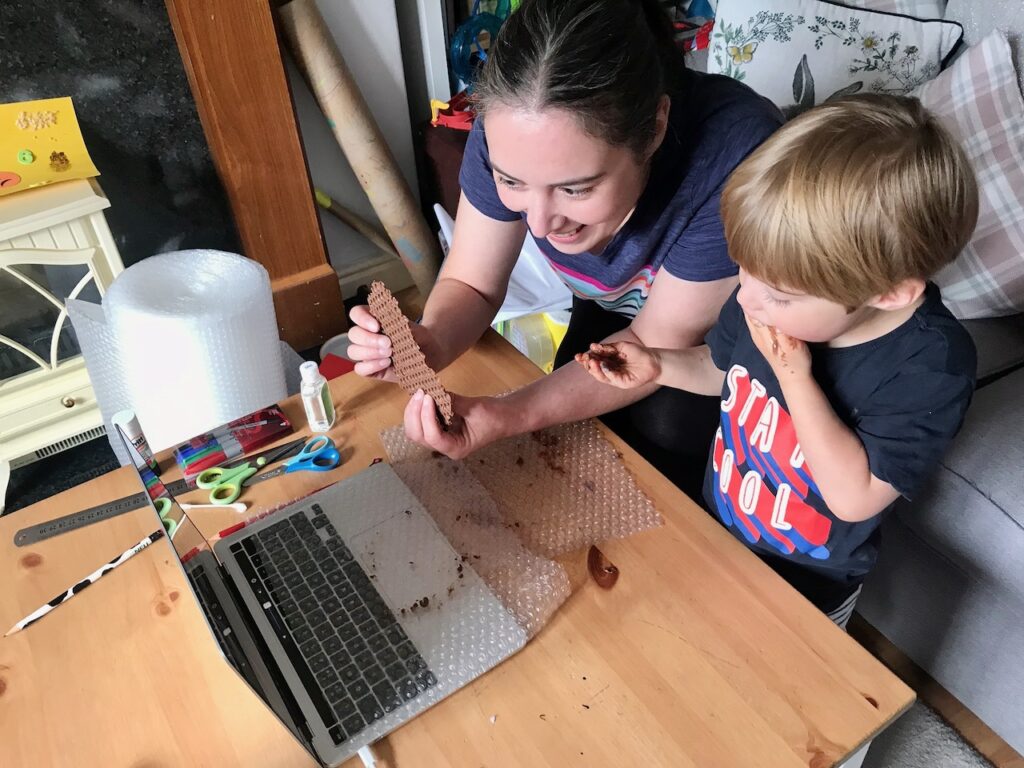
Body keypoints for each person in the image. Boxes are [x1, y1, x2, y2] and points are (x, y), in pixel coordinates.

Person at [346, 0, 783, 498]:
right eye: (512, 182)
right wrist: (433, 340)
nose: (538, 222)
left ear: (656, 128)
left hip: (722, 345)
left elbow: (661, 343)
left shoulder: (735, 158)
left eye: (575, 189)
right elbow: (472, 281)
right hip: (610, 304)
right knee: (573, 439)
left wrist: (507, 414)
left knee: (668, 430)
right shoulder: (507, 130)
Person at [576, 94, 979, 627]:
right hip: (721, 523)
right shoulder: (765, 295)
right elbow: (728, 370)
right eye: (744, 269)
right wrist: (660, 364)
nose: (746, 300)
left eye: (781, 296)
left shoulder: (931, 365)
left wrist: (796, 377)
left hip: (807, 582)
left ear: (889, 294)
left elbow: (854, 497)